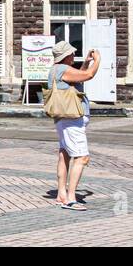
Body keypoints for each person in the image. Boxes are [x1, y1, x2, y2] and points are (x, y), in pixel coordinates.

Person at [48, 41, 100, 211]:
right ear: (65, 56)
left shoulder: (56, 69)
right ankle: (70, 199)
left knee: (65, 154)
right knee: (82, 157)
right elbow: (89, 75)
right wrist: (97, 60)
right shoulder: (63, 69)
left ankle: (61, 193)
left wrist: (86, 62)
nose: (73, 56)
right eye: (71, 54)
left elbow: (80, 74)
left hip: (64, 119)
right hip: (72, 120)